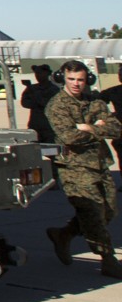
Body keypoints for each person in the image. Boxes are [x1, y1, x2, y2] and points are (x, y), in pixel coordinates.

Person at [45, 60, 122, 278]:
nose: (76, 84)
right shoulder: (57, 105)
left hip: (99, 163)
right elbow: (69, 136)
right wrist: (97, 128)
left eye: (80, 79)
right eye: (71, 79)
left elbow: (116, 128)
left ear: (87, 79)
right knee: (92, 213)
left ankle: (64, 234)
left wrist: (86, 128)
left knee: (109, 212)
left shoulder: (94, 101)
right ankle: (108, 260)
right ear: (62, 79)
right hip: (74, 167)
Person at [22, 65, 59, 143]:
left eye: (40, 73)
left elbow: (46, 103)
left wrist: (35, 95)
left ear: (47, 74)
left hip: (49, 127)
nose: (38, 76)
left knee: (50, 151)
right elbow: (24, 103)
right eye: (36, 74)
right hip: (34, 125)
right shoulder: (32, 88)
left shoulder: (53, 89)